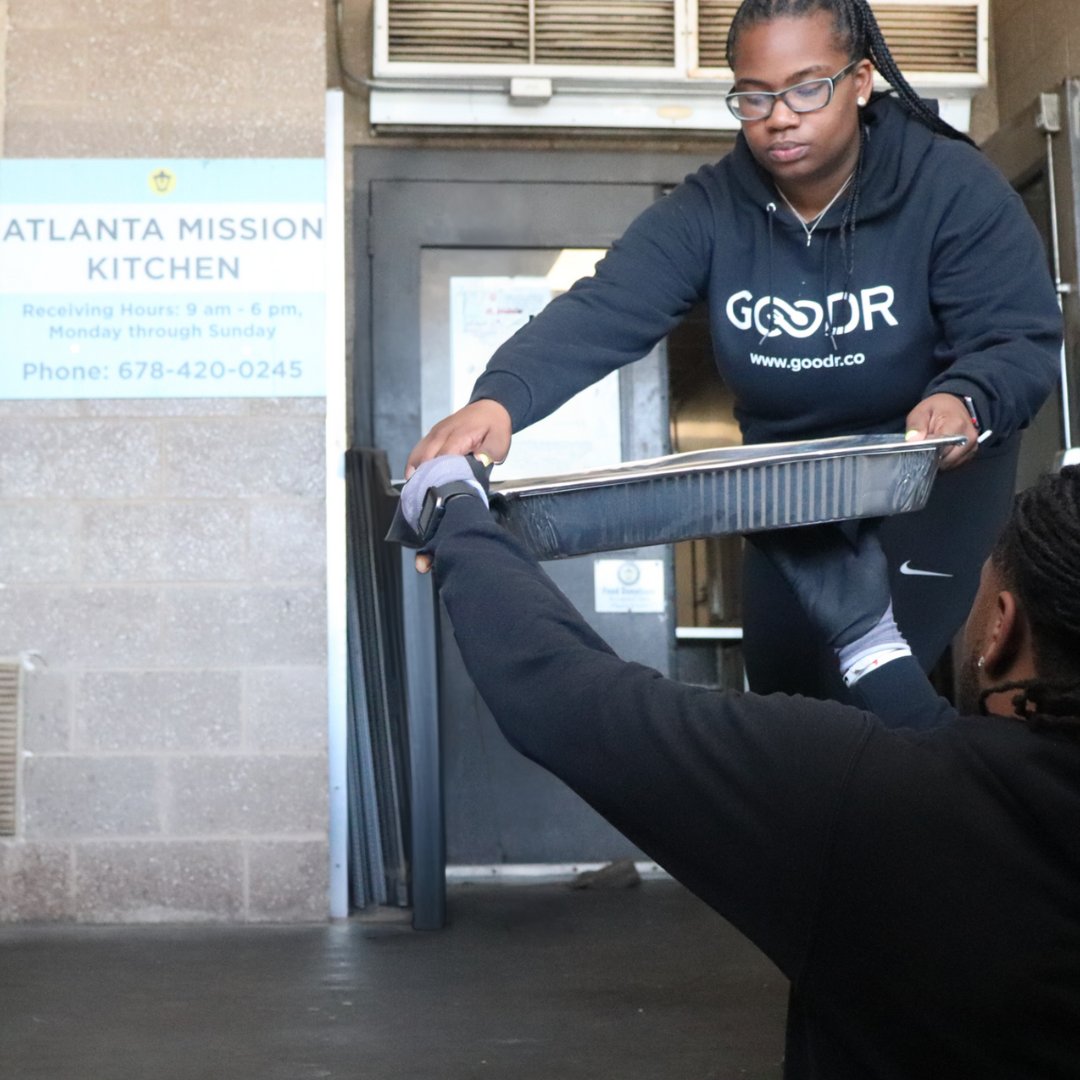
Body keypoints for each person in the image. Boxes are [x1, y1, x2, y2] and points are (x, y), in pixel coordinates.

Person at [406, 0, 1063, 701]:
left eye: (807, 88)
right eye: (753, 97)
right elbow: (607, 305)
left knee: (873, 700)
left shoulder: (949, 187)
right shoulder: (714, 208)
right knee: (786, 703)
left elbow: (1016, 336)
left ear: (863, 78)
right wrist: (499, 398)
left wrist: (966, 397)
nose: (779, 115)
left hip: (925, 483)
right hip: (790, 491)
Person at [391, 453, 1080, 1078]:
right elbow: (983, 775)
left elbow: (561, 697)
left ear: (1000, 628)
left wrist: (459, 516)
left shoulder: (867, 801)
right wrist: (870, 642)